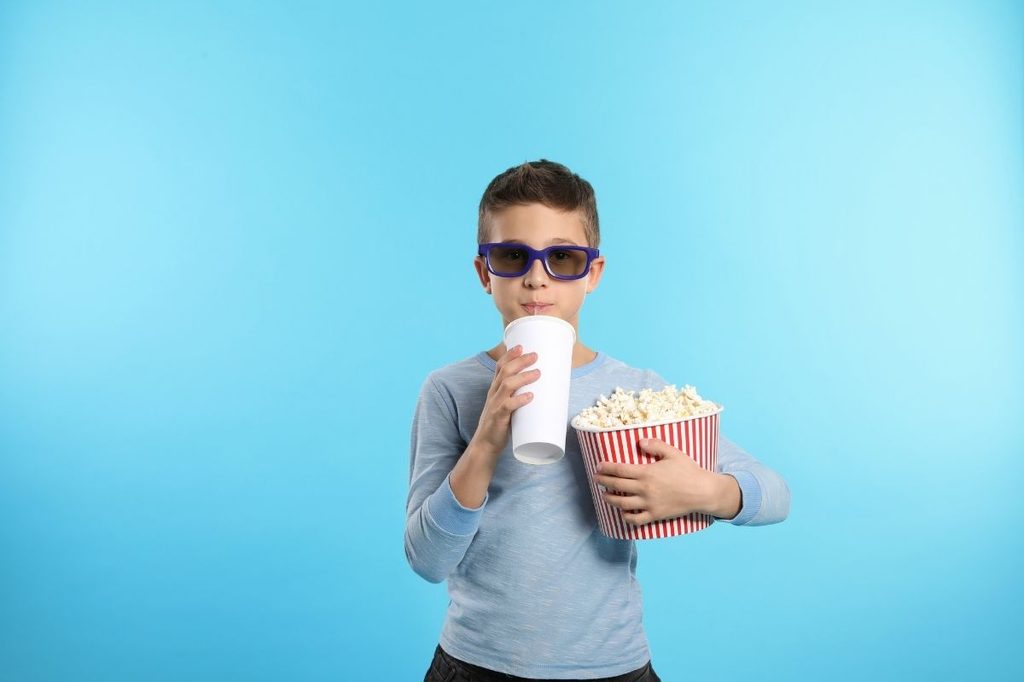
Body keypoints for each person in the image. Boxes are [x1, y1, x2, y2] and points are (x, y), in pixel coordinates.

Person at [406, 160, 791, 681]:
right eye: (512, 256)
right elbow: (427, 560)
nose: (536, 277)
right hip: (476, 664)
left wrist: (706, 492)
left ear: (592, 274)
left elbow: (776, 495)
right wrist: (486, 441)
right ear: (484, 273)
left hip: (612, 666)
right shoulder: (450, 390)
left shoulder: (636, 393)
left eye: (562, 257)